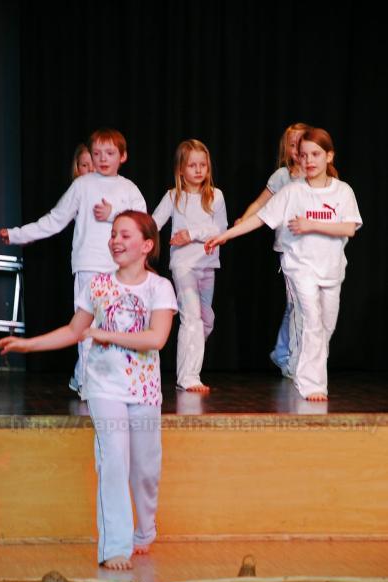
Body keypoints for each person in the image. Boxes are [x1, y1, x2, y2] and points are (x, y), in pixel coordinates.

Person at [0, 211, 178, 570]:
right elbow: (74, 330)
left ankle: (144, 528)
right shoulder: (97, 284)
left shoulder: (160, 288)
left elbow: (156, 338)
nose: (116, 241)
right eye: (113, 234)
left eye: (125, 235)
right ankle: (115, 547)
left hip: (143, 390)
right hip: (103, 386)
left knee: (145, 469)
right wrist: (27, 345)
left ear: (146, 245)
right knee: (113, 460)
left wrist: (106, 334)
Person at [205, 128, 362, 402]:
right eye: (304, 155)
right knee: (311, 319)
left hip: (331, 268)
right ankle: (312, 383)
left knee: (326, 325)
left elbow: (349, 228)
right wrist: (226, 235)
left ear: (329, 156)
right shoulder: (292, 192)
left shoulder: (343, 191)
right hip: (299, 266)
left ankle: (307, 373)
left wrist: (311, 224)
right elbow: (261, 218)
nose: (309, 161)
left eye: (315, 154)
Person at [0, 128, 147, 396]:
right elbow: (55, 219)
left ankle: (87, 379)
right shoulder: (82, 186)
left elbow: (143, 224)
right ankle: (88, 387)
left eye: (110, 153)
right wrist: (17, 234)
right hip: (89, 265)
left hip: (121, 269)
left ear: (123, 156)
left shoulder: (129, 189)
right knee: (87, 326)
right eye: (97, 153)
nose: (103, 159)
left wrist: (114, 214)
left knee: (117, 326)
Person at [234, 122, 309, 379]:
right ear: (286, 149)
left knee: (302, 306)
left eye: (301, 144)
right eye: (292, 145)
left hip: (315, 250)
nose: (297, 150)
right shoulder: (281, 177)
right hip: (289, 249)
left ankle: (283, 352)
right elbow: (260, 203)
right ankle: (293, 360)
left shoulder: (319, 175)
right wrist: (244, 220)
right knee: (297, 304)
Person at [152, 139, 228, 393]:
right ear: (181, 169)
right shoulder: (173, 196)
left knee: (206, 321)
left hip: (207, 266)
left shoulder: (216, 196)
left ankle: (189, 362)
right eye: (192, 165)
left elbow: (221, 230)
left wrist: (191, 234)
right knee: (191, 317)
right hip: (183, 266)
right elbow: (153, 223)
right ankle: (188, 377)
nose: (198, 170)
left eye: (202, 165)